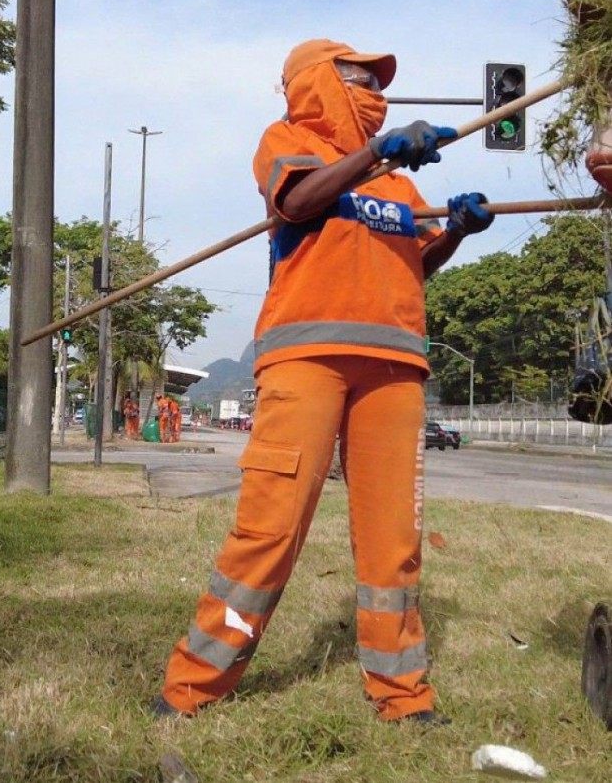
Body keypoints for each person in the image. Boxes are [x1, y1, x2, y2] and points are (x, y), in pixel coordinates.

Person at [154, 38, 494, 723]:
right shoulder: (287, 141)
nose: (375, 91)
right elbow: (299, 204)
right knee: (268, 527)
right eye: (359, 78)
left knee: (393, 538)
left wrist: (453, 230)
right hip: (305, 359)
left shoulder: (400, 186)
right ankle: (193, 685)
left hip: (394, 367)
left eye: (378, 82)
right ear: (316, 82)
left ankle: (402, 694)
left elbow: (411, 269)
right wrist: (376, 153)